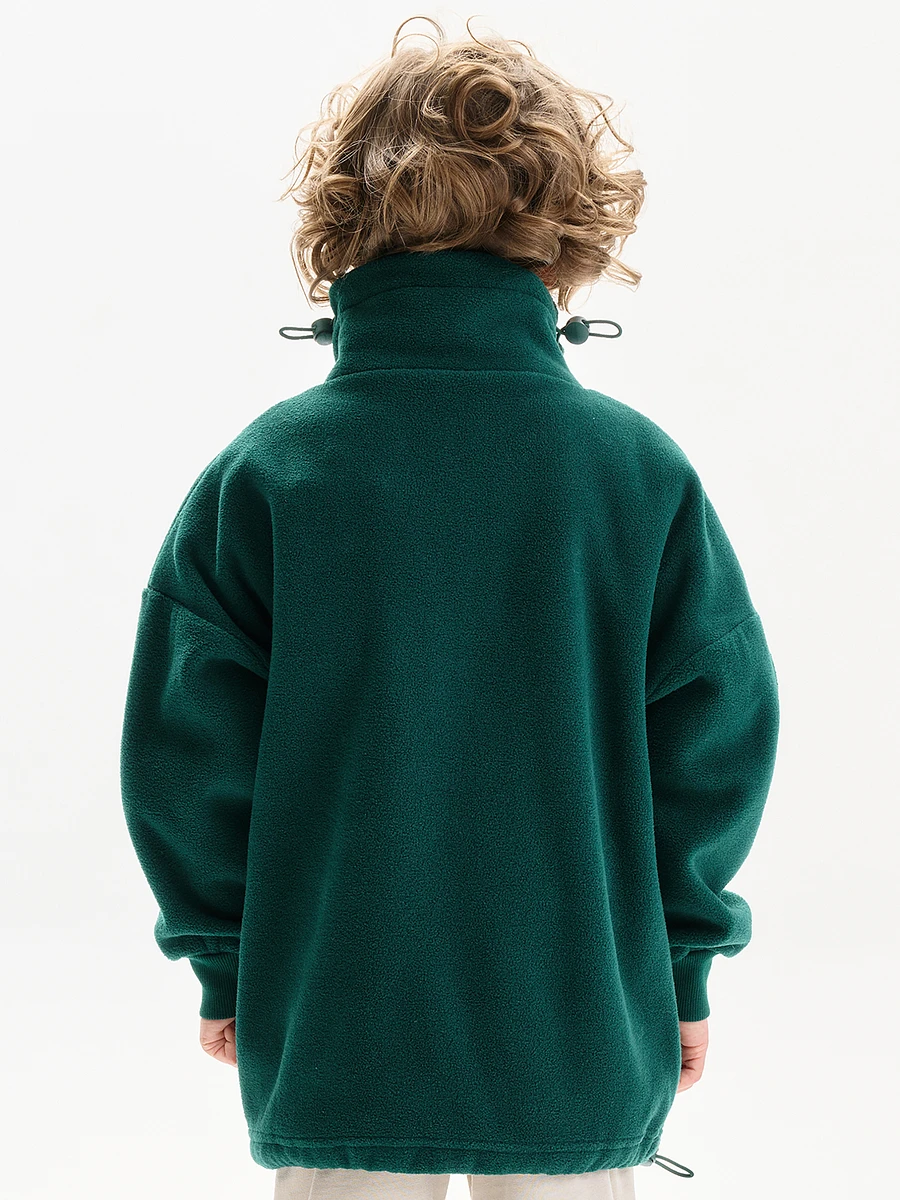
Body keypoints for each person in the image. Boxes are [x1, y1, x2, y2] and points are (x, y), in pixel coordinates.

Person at [119, 15, 780, 1200]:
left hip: (338, 1025)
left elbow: (185, 751)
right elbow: (714, 743)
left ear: (343, 223)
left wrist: (224, 959)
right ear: (569, 231)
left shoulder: (270, 471)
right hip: (577, 1029)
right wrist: (682, 968)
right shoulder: (633, 472)